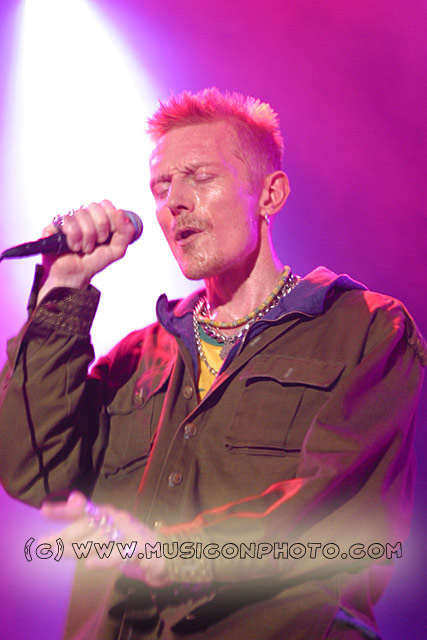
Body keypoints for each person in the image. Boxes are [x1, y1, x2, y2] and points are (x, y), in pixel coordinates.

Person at [0, 88, 425, 640]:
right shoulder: (137, 357)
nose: (174, 201)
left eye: (199, 178)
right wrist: (62, 288)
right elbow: (30, 470)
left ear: (270, 195)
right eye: (161, 188)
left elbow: (335, 508)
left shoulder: (365, 330)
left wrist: (177, 555)